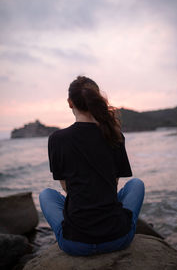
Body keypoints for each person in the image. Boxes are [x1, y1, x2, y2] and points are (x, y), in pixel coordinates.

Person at [39, 76, 145, 256]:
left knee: (46, 195)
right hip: (118, 239)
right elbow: (113, 183)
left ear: (70, 103)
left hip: (74, 244)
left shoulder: (57, 139)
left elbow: (66, 188)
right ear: (97, 100)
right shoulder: (113, 134)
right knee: (136, 185)